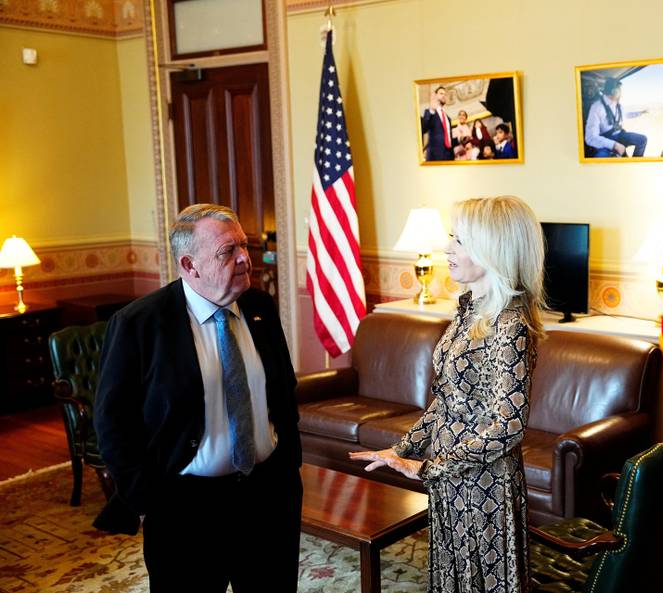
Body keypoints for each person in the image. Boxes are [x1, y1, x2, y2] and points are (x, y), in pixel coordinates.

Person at [94, 204, 302, 592]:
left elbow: (283, 391)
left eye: (244, 245)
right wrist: (149, 500)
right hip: (185, 508)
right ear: (190, 265)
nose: (245, 258)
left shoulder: (259, 307)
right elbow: (113, 423)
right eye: (228, 251)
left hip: (267, 497)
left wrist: (288, 468)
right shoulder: (140, 325)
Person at [350, 195, 545, 593]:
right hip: (452, 481)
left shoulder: (511, 327)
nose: (447, 249)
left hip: (484, 487)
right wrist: (402, 449)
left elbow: (507, 427)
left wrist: (432, 468)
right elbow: (446, 402)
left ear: (494, 250)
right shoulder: (470, 312)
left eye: (460, 240)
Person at [584, 77, 648, 158]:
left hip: (620, 135)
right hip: (606, 140)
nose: (622, 94)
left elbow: (626, 115)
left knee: (642, 140)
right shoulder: (597, 107)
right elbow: (590, 137)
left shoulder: (618, 105)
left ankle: (635, 163)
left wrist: (640, 113)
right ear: (614, 91)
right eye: (620, 91)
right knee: (601, 157)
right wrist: (614, 145)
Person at [420, 85, 455, 161]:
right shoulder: (429, 112)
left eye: (445, 94)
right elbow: (424, 128)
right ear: (435, 96)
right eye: (441, 93)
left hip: (449, 155)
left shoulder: (448, 118)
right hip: (435, 156)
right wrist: (431, 110)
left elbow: (448, 138)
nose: (444, 96)